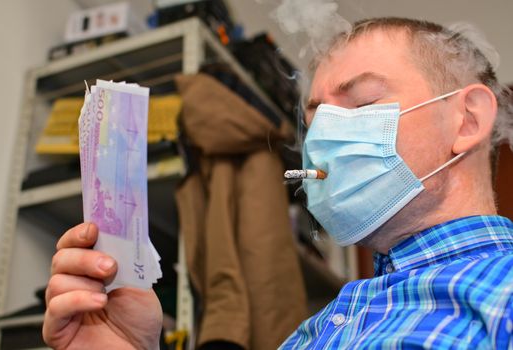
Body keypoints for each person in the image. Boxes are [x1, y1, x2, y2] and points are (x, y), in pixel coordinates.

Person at [43, 17, 513, 349]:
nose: (323, 138)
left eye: (363, 104)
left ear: (467, 119)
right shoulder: (320, 327)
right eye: (314, 119)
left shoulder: (500, 293)